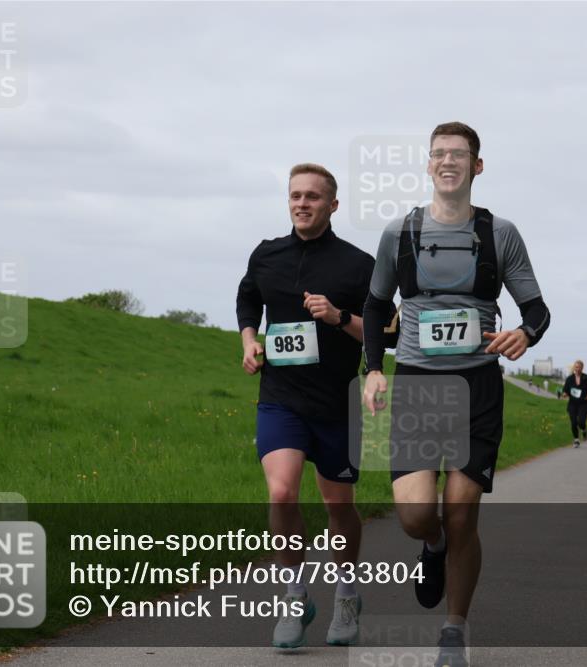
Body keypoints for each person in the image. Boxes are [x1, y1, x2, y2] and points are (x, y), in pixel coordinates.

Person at [362, 122, 550, 667]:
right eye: (439, 154)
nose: (448, 161)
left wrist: (525, 334)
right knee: (416, 514)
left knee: (463, 514)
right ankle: (433, 545)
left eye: (459, 154)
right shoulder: (399, 233)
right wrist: (373, 370)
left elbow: (537, 309)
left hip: (478, 387)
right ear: (428, 165)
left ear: (477, 166)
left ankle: (454, 629)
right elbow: (375, 306)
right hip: (418, 385)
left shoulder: (500, 233)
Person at [236, 163, 375, 648]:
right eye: (295, 195)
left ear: (332, 205)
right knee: (281, 494)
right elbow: (248, 300)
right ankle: (295, 597)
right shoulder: (266, 254)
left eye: (313, 197)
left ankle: (347, 595)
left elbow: (386, 332)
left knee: (338, 505)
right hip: (281, 398)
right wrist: (249, 340)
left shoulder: (359, 264)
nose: (302, 203)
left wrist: (338, 317)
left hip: (337, 402)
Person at [561, 360, 587, 448]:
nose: (577, 369)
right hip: (572, 403)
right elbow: (565, 390)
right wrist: (565, 394)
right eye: (576, 367)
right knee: (573, 422)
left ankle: (584, 430)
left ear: (582, 368)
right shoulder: (570, 379)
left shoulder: (586, 378)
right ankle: (576, 440)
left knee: (581, 422)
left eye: (579, 367)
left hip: (583, 403)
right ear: (574, 368)